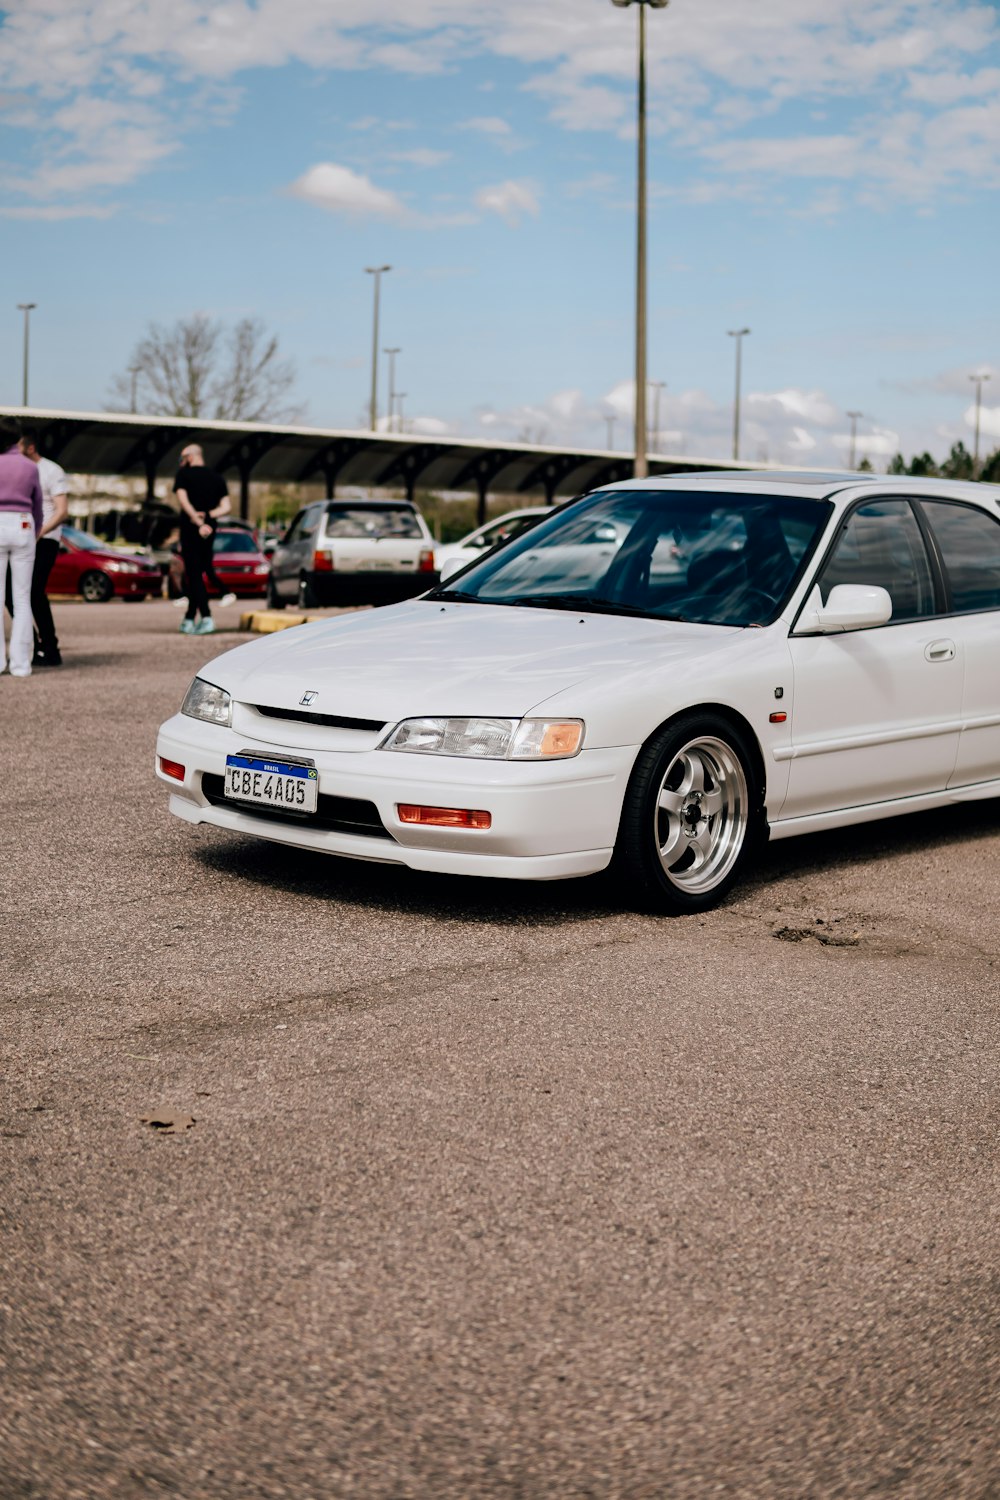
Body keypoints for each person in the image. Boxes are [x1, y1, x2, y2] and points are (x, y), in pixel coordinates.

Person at [8, 426, 69, 666]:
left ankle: (51, 648)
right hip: (23, 537)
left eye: (18, 446)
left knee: (34, 591)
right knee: (9, 594)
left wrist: (39, 532)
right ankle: (31, 644)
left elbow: (62, 511)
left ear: (30, 447)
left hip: (46, 539)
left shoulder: (51, 470)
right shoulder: (18, 469)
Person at [172, 443, 235, 635]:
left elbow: (183, 501)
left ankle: (207, 617)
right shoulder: (217, 478)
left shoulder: (183, 475)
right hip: (209, 530)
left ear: (191, 457)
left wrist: (197, 520)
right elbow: (226, 506)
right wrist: (209, 516)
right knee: (198, 572)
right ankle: (189, 619)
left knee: (193, 574)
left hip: (192, 529)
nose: (181, 462)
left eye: (182, 457)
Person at [0, 416, 43, 677]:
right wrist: (35, 531)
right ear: (18, 438)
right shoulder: (29, 467)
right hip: (23, 525)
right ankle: (20, 664)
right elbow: (37, 504)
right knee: (22, 597)